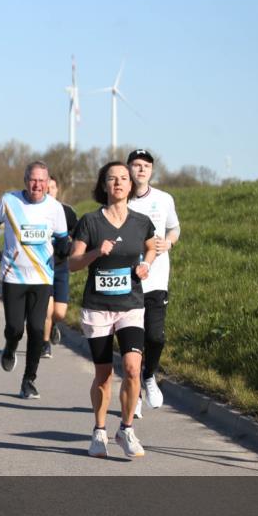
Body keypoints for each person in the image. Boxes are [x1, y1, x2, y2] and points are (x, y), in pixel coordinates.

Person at [68, 163, 156, 458]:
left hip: (130, 306)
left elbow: (152, 247)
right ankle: (99, 430)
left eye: (123, 179)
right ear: (104, 186)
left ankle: (127, 428)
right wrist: (96, 252)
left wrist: (146, 264)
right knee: (104, 374)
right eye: (112, 179)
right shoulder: (90, 222)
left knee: (133, 368)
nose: (118, 183)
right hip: (98, 308)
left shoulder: (141, 222)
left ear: (131, 186)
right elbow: (73, 263)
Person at [0, 161, 69, 399]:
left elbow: (62, 237)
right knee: (14, 328)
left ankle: (29, 380)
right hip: (13, 276)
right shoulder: (9, 201)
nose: (37, 185)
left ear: (47, 182)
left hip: (42, 277)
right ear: (25, 180)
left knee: (36, 328)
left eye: (42, 180)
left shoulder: (54, 208)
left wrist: (64, 248)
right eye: (33, 179)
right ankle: (10, 348)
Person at [126, 149, 180, 419]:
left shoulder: (164, 199)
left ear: (152, 171)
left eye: (146, 166)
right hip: (129, 282)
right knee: (132, 345)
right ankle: (134, 396)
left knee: (155, 337)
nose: (141, 170)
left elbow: (174, 228)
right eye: (136, 165)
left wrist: (168, 242)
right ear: (128, 169)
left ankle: (149, 376)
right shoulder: (121, 200)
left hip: (157, 279)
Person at [41, 177, 79, 358]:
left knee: (59, 313)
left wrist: (72, 243)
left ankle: (54, 325)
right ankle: (45, 344)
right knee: (47, 311)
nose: (49, 191)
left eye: (52, 187)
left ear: (57, 189)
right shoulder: (35, 212)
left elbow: (79, 236)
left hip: (61, 267)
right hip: (41, 269)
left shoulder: (67, 212)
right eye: (45, 188)